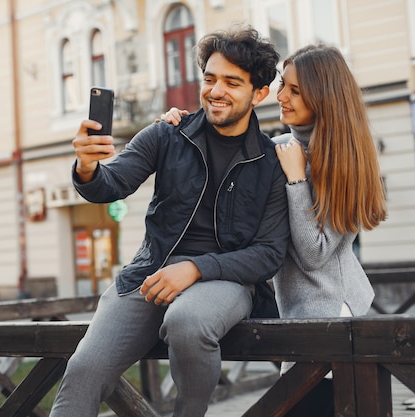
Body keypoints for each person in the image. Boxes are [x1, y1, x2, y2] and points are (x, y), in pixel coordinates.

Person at [49, 25, 290, 417]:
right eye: (210, 79)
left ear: (259, 93)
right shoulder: (167, 134)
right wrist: (88, 165)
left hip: (224, 282)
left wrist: (195, 268)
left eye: (232, 82)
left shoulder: (271, 162)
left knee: (187, 320)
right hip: (149, 274)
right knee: (83, 369)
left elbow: (267, 255)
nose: (215, 91)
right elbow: (112, 183)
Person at [161, 44, 388, 416]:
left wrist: (297, 180)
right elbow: (226, 165)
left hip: (333, 320)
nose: (281, 96)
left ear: (324, 96)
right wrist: (182, 129)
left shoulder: (344, 162)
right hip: (295, 317)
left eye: (295, 90)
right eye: (283, 84)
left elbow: (315, 254)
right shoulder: (279, 146)